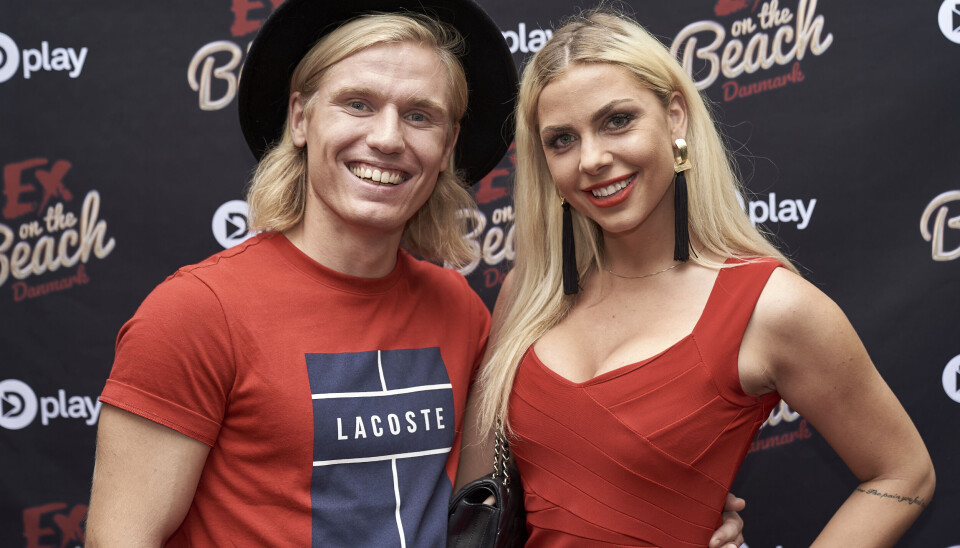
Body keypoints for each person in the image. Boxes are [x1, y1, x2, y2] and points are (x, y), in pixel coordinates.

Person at [457, 8, 935, 548]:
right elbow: (479, 497)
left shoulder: (769, 308)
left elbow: (903, 474)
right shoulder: (530, 291)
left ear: (676, 116)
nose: (592, 158)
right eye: (562, 140)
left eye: (617, 121)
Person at [85, 0, 516, 545]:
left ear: (447, 145)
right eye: (357, 104)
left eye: (419, 115)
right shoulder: (196, 311)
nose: (387, 138)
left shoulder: (458, 308)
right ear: (300, 118)